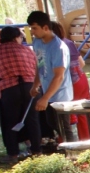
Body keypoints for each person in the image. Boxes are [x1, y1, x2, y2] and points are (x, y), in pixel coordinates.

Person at [0, 26, 42, 162]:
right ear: (15, 37)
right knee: (33, 120)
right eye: (20, 37)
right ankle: (36, 150)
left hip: (8, 89)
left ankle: (13, 154)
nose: (21, 40)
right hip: (30, 87)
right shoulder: (27, 50)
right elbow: (37, 69)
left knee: (10, 122)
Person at [27, 11, 74, 144]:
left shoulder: (58, 47)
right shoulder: (37, 42)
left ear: (46, 28)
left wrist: (45, 98)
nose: (32, 32)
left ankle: (75, 155)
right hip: (47, 91)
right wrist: (35, 84)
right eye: (31, 28)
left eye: (35, 28)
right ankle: (68, 152)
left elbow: (59, 76)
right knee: (52, 124)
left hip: (61, 94)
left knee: (64, 128)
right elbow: (40, 65)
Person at [51, 21, 90, 141]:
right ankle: (86, 138)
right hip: (81, 78)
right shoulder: (69, 42)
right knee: (82, 111)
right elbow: (81, 63)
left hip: (70, 82)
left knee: (64, 112)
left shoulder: (54, 46)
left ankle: (65, 141)